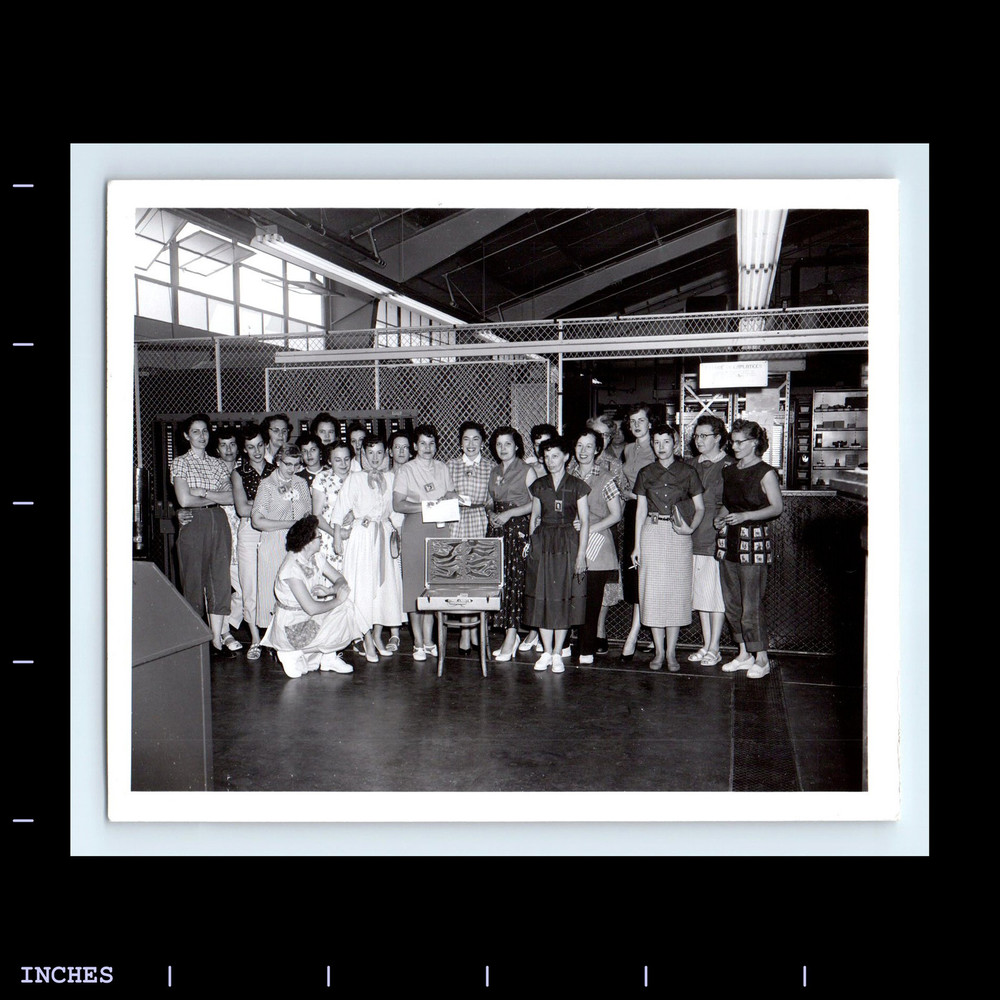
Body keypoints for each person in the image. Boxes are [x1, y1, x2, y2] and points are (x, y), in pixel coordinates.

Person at [261, 515, 378, 678]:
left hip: (308, 619)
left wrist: (330, 591)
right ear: (307, 542)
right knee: (343, 606)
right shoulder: (291, 569)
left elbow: (340, 579)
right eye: (319, 536)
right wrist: (337, 599)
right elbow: (311, 608)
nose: (322, 539)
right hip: (293, 627)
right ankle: (288, 651)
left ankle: (328, 658)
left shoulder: (315, 557)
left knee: (346, 607)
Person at [631, 423, 705, 671]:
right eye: (656, 442)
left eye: (666, 441)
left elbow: (701, 507)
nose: (661, 447)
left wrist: (690, 529)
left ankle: (672, 652)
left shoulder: (688, 472)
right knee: (652, 593)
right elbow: (640, 510)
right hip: (651, 532)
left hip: (677, 533)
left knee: (675, 594)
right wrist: (636, 545)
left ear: (675, 442)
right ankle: (659, 652)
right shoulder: (645, 473)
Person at [713, 419, 784, 679]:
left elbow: (776, 508)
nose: (734, 446)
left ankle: (762, 659)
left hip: (754, 544)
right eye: (732, 441)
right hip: (729, 542)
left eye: (739, 442)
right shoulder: (730, 471)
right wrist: (720, 517)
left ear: (754, 443)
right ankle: (743, 653)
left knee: (751, 603)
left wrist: (745, 517)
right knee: (732, 602)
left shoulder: (765, 472)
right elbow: (728, 504)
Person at [392, 424, 461, 660]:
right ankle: (418, 643)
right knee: (414, 586)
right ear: (414, 446)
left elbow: (451, 493)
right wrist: (427, 506)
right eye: (422, 443)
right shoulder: (406, 470)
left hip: (439, 529)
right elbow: (398, 504)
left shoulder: (442, 468)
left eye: (431, 444)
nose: (427, 448)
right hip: (415, 529)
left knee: (434, 584)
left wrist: (450, 497)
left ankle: (430, 640)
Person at [332, 435, 404, 657]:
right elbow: (339, 509)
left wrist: (399, 535)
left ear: (385, 455)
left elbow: (395, 512)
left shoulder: (391, 478)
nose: (374, 458)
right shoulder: (354, 479)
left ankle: (377, 635)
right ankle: (365, 638)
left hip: (383, 534)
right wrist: (336, 538)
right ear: (362, 454)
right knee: (363, 588)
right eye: (370, 453)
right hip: (362, 538)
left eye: (379, 453)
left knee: (383, 589)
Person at [169, 414, 235, 656]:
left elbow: (230, 498)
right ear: (187, 436)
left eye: (204, 430)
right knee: (193, 582)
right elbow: (184, 499)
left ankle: (216, 641)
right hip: (194, 523)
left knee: (219, 581)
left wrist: (202, 491)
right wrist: (209, 495)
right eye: (195, 431)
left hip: (218, 519)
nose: (201, 436)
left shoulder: (218, 464)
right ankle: (196, 643)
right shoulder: (180, 463)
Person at [523, 435, 590, 674]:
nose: (550, 461)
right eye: (546, 456)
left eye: (555, 456)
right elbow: (534, 518)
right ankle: (546, 652)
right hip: (543, 542)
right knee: (541, 595)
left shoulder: (577, 485)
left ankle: (558, 652)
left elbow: (585, 521)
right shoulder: (539, 485)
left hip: (568, 543)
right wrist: (532, 544)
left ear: (566, 457)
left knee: (563, 597)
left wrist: (581, 555)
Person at [568, 427, 622, 665]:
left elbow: (616, 515)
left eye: (589, 446)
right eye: (579, 445)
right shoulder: (567, 475)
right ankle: (571, 644)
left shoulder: (606, 478)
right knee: (572, 598)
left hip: (598, 547)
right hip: (571, 543)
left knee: (592, 601)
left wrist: (590, 528)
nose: (583, 451)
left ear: (598, 450)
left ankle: (587, 648)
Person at [684, 415, 734, 668]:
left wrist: (722, 518)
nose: (699, 440)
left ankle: (715, 647)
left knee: (715, 595)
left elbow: (731, 501)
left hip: (714, 537)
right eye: (696, 436)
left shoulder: (729, 466)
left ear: (718, 438)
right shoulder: (690, 464)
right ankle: (706, 644)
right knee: (701, 595)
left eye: (704, 436)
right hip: (690, 536)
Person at [486, 427, 538, 661]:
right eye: (499, 445)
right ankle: (510, 634)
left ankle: (512, 635)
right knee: (501, 581)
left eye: (508, 444)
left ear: (517, 446)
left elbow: (536, 504)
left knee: (516, 582)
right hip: (497, 529)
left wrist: (510, 514)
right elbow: (490, 501)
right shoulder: (494, 471)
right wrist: (491, 513)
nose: (503, 449)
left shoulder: (527, 470)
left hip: (517, 529)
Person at [251, 444, 313, 640]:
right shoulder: (267, 485)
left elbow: (308, 514)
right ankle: (273, 641)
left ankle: (295, 640)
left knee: (296, 593)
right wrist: (291, 523)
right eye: (287, 464)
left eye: (296, 464)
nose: (291, 469)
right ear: (278, 462)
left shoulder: (301, 484)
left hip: (297, 545)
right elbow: (257, 520)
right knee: (273, 594)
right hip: (274, 542)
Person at [445, 421, 494, 651]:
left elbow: (493, 498)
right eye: (466, 439)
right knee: (459, 578)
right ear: (460, 442)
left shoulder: (491, 467)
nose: (471, 444)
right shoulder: (450, 465)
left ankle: (479, 631)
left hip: (480, 522)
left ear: (482, 442)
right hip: (455, 523)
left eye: (476, 439)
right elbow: (444, 493)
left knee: (479, 576)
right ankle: (465, 633)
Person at [230, 422, 275, 660]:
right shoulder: (238, 473)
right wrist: (268, 509)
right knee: (249, 588)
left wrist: (257, 509)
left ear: (265, 445)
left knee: (273, 585)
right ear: (244, 449)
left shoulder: (276, 470)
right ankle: (255, 639)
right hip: (249, 533)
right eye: (250, 447)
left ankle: (273, 637)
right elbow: (241, 508)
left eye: (259, 445)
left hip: (273, 533)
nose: (256, 451)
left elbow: (282, 506)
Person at [618, 402, 656, 660]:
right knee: (634, 572)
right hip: (631, 511)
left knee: (648, 570)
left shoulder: (658, 447)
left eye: (641, 420)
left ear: (650, 423)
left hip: (650, 512)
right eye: (632, 422)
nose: (636, 425)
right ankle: (647, 630)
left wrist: (635, 493)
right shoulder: (628, 449)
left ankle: (636, 632)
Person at [518, 423, 557, 652]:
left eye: (546, 443)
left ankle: (546, 636)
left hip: (555, 532)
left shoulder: (560, 465)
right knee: (533, 583)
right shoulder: (528, 468)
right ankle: (534, 632)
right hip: (533, 529)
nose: (541, 448)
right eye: (537, 444)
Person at [311, 439, 353, 572]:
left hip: (353, 537)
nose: (343, 464)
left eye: (346, 459)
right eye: (338, 460)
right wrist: (336, 534)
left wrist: (354, 514)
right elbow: (316, 515)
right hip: (330, 538)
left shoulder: (357, 478)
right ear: (329, 461)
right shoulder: (322, 478)